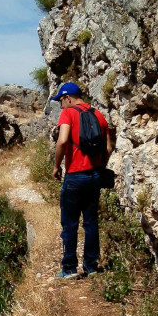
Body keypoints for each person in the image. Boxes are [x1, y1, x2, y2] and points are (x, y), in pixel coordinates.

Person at [51, 82, 113, 279]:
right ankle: (91, 266)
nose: (60, 105)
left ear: (68, 97)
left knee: (69, 223)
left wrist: (56, 166)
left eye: (61, 100)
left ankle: (69, 268)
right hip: (94, 175)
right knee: (91, 221)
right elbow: (109, 147)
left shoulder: (68, 113)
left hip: (75, 175)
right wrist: (100, 165)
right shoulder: (99, 115)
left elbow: (62, 140)